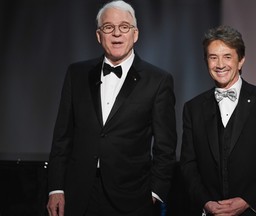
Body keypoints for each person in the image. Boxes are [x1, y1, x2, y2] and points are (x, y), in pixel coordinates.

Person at [46, 1, 177, 216]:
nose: (117, 33)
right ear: (99, 35)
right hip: (78, 194)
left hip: (133, 198)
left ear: (135, 34)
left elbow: (166, 146)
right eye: (108, 27)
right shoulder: (76, 74)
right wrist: (56, 187)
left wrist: (155, 192)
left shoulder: (158, 80)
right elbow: (62, 137)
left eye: (124, 27)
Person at [180, 25, 256, 216]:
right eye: (213, 57)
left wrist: (247, 201)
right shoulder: (192, 108)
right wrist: (206, 203)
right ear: (206, 61)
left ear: (241, 61)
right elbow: (188, 164)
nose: (220, 64)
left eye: (227, 56)